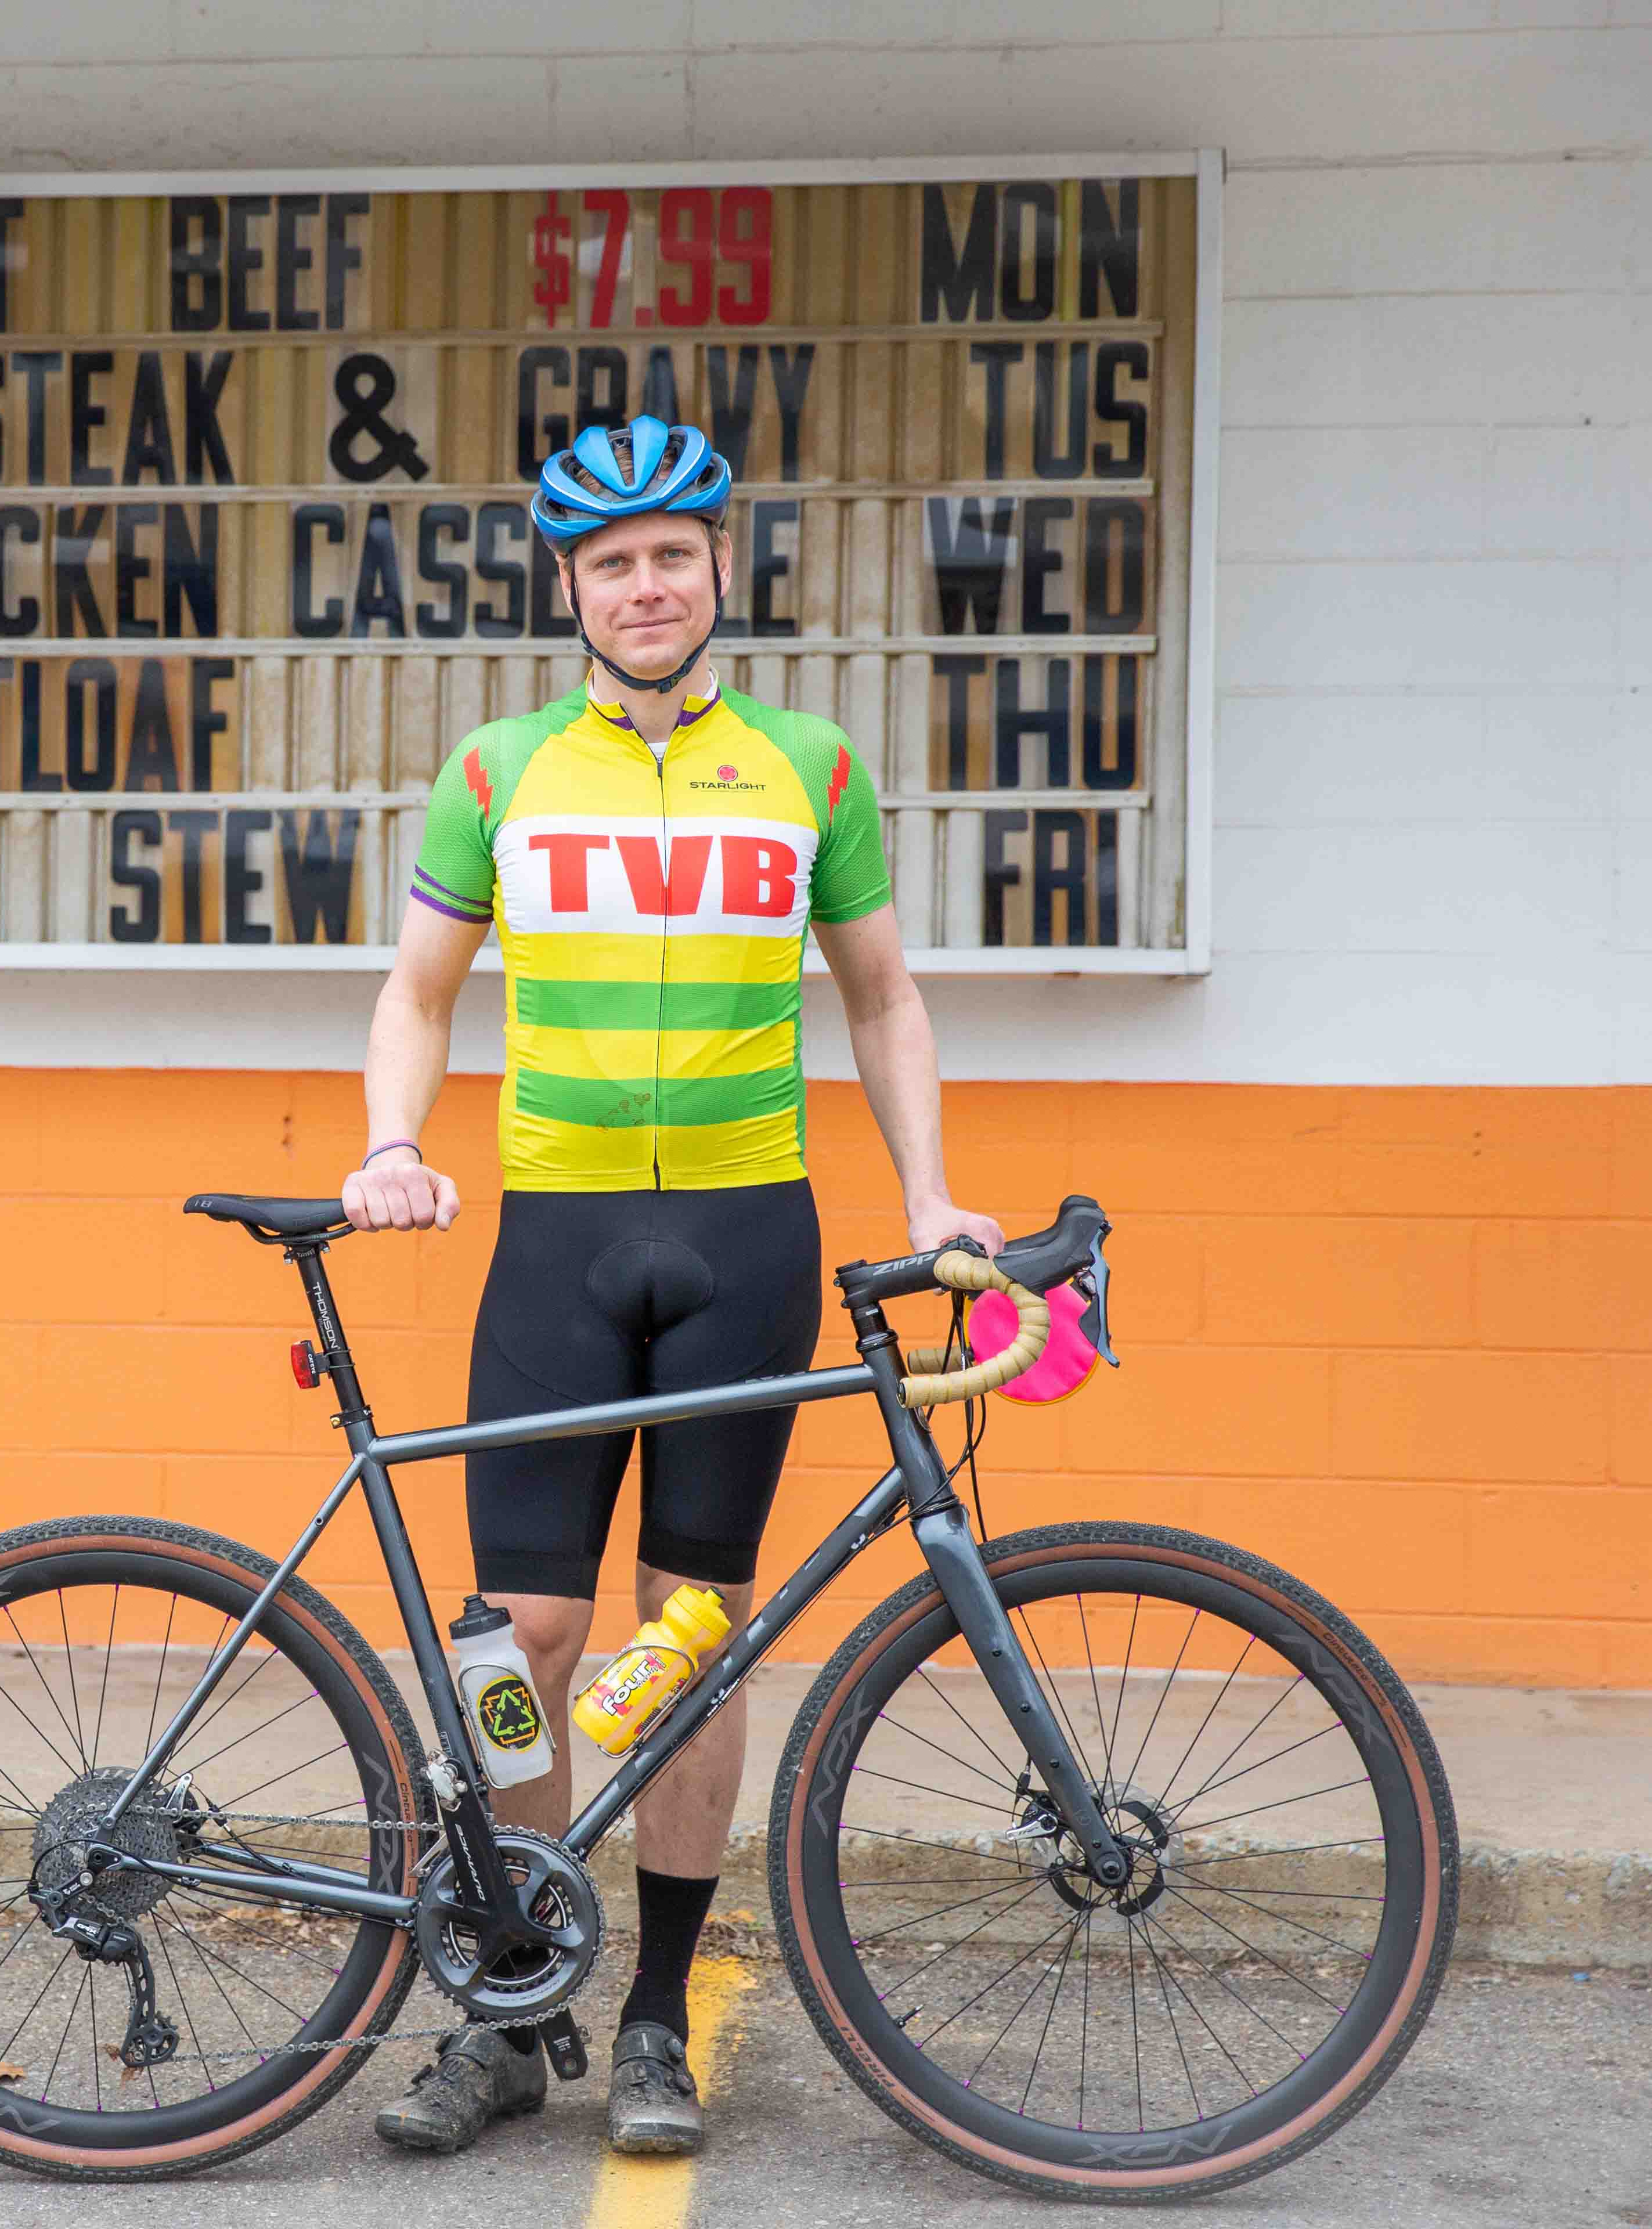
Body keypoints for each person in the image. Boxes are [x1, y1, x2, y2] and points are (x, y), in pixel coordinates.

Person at [343, 416, 1002, 2159]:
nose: (647, 587)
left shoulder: (810, 766)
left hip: (743, 1244)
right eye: (611, 561)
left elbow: (884, 1001)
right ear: (569, 587)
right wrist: (391, 1144)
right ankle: (510, 1992)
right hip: (557, 1242)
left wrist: (933, 1195)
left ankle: (651, 2020)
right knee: (521, 1641)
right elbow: (416, 995)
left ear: (722, 570)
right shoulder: (496, 771)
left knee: (691, 1645)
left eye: (673, 556)